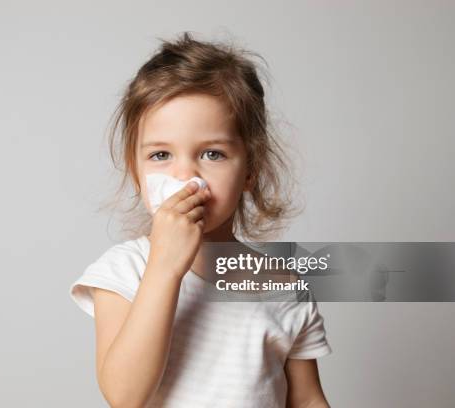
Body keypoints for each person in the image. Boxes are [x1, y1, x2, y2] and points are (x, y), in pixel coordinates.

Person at [69, 32, 332, 408]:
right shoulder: (123, 272)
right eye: (161, 155)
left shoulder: (284, 285)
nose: (185, 177)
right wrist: (164, 268)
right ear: (136, 170)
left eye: (212, 154)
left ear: (250, 170)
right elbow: (125, 397)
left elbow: (307, 400)